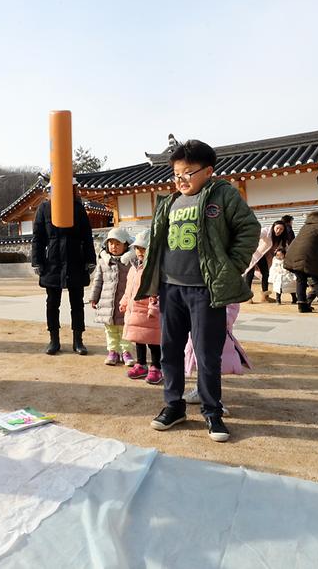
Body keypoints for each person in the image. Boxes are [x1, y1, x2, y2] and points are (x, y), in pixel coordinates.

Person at [134, 139, 260, 442]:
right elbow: (157, 245)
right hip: (171, 289)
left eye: (189, 172)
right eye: (177, 174)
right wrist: (153, 283)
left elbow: (249, 229)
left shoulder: (222, 195)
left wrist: (230, 265)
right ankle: (173, 405)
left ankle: (212, 412)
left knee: (206, 354)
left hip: (205, 291)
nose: (182, 180)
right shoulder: (168, 202)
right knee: (170, 351)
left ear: (208, 171)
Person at [31, 180, 96, 356]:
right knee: (52, 303)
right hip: (52, 262)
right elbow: (38, 238)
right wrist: (37, 261)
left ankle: (78, 340)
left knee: (77, 303)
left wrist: (90, 259)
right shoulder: (44, 209)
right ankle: (54, 339)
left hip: (75, 259)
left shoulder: (78, 208)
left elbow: (87, 236)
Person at [119, 230, 162, 384]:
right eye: (137, 248)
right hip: (135, 310)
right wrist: (124, 301)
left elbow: (157, 291)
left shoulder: (155, 268)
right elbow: (128, 288)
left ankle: (157, 366)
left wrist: (154, 307)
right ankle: (141, 363)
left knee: (154, 341)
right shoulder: (133, 267)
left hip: (149, 312)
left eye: (143, 249)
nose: (139, 252)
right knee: (139, 339)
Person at [89, 227, 135, 366]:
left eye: (118, 244)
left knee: (125, 329)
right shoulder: (103, 262)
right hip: (107, 303)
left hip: (124, 304)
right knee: (110, 330)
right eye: (111, 243)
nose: (114, 247)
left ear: (126, 245)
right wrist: (94, 297)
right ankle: (113, 351)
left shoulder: (130, 262)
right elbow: (98, 281)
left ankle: (126, 352)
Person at [243, 220, 290, 301]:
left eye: (281, 229)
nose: (278, 231)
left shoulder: (281, 238)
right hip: (253, 253)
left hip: (262, 255)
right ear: (273, 227)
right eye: (277, 228)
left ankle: (265, 296)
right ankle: (248, 297)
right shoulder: (266, 231)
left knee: (265, 273)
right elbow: (255, 235)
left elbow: (285, 247)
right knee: (250, 273)